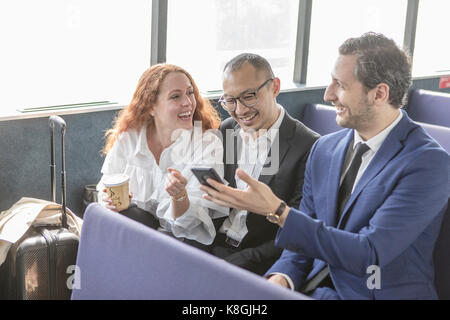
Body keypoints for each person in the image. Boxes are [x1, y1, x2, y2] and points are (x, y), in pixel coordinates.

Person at [201, 32, 450, 299]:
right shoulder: (325, 149)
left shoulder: (428, 163)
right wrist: (279, 280)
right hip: (315, 289)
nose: (328, 94)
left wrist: (277, 210)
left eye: (340, 85)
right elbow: (302, 242)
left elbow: (369, 253)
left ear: (379, 93)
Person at [209, 53, 319, 275]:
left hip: (258, 259)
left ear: (275, 87)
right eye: (230, 100)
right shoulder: (228, 128)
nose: (240, 110)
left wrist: (236, 262)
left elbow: (297, 229)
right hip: (213, 244)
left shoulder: (310, 146)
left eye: (249, 96)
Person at [97, 64, 228, 247]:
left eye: (190, 93)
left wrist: (179, 196)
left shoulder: (207, 144)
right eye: (176, 96)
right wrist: (107, 201)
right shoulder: (129, 138)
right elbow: (105, 184)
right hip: (131, 237)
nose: (188, 103)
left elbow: (189, 226)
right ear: (151, 106)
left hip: (181, 244)